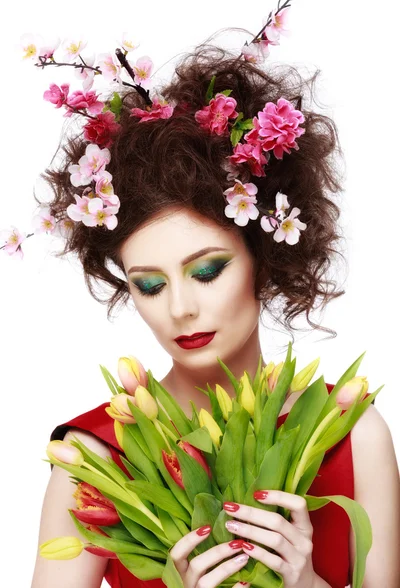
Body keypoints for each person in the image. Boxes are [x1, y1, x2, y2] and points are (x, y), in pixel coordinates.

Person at [27, 33, 399, 588]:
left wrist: (307, 584)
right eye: (149, 285)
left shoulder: (351, 435)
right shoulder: (94, 459)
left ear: (264, 260)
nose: (180, 307)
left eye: (206, 272)